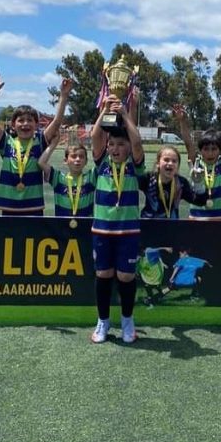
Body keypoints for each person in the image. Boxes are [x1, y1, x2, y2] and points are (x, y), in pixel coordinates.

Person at [89, 93, 145, 344]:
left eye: (120, 144)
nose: (115, 149)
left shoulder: (134, 166)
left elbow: (137, 142)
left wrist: (123, 114)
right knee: (103, 274)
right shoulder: (101, 163)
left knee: (125, 277)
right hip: (102, 230)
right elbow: (95, 136)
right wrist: (105, 109)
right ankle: (103, 321)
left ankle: (127, 321)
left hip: (128, 232)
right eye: (111, 144)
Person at [0, 72, 72, 215]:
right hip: (8, 206)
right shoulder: (6, 142)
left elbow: (57, 121)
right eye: (21, 120)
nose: (25, 124)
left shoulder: (40, 141)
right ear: (13, 125)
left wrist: (63, 95)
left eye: (30, 120)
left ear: (36, 125)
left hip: (34, 207)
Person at [176, 106, 221, 220]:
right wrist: (182, 121)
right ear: (200, 150)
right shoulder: (196, 162)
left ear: (220, 150)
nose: (210, 153)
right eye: (206, 149)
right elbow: (188, 144)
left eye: (214, 149)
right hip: (197, 217)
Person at [38, 132, 95, 223]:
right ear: (65, 160)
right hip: (61, 226)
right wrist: (53, 144)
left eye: (81, 157)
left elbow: (101, 160)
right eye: (73, 156)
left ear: (86, 161)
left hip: (85, 227)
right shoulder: (58, 178)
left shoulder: (91, 177)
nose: (78, 159)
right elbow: (41, 162)